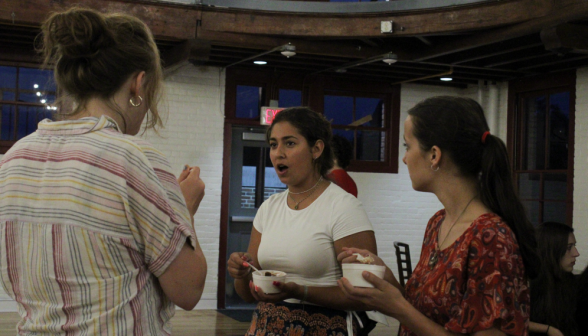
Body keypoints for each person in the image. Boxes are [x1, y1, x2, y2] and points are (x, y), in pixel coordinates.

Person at [0, 7, 207, 335]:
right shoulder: (136, 161)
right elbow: (189, 290)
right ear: (138, 85)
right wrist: (185, 211)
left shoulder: (12, 162)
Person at [337, 96, 541, 336]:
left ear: (434, 155)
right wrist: (386, 279)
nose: (404, 157)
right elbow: (427, 314)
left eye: (407, 146)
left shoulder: (490, 237)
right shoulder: (438, 222)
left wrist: (398, 308)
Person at [227, 107, 379, 336]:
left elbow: (367, 295)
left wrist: (300, 291)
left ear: (316, 149)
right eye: (274, 144)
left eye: (289, 143)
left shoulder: (343, 207)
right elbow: (248, 294)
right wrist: (241, 273)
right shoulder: (269, 208)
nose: (278, 153)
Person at [529, 222, 580, 336]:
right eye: (569, 248)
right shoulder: (530, 283)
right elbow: (513, 321)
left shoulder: (572, 283)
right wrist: (548, 329)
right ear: (552, 250)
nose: (576, 253)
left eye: (574, 246)